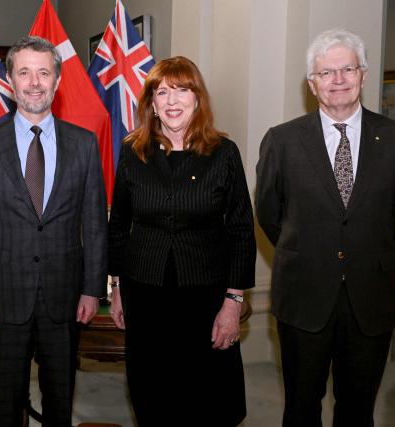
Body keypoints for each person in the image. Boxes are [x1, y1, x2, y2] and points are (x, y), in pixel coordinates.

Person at [256, 28, 395, 426]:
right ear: (312, 84)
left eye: (347, 69)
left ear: (363, 74)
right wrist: (311, 248)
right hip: (304, 295)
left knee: (358, 409)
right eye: (326, 73)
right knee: (301, 406)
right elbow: (269, 213)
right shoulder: (282, 140)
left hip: (370, 298)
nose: (338, 80)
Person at [0, 35, 107, 427]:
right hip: (2, 299)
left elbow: (93, 222)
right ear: (10, 81)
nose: (34, 82)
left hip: (65, 296)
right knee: (7, 404)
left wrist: (92, 288)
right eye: (24, 72)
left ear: (57, 82)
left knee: (60, 400)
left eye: (44, 73)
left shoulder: (84, 145)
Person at [108, 56, 256, 426]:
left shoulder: (224, 153)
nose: (172, 101)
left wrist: (233, 303)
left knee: (206, 398)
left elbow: (241, 231)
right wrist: (117, 287)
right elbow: (119, 224)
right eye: (162, 92)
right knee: (152, 394)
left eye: (182, 90)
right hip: (145, 293)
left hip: (205, 298)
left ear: (197, 98)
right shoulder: (132, 152)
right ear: (152, 105)